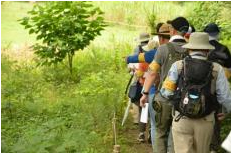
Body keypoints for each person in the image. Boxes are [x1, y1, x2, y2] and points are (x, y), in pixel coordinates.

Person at [160, 32, 231, 153]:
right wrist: (226, 111)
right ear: (207, 51)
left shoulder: (178, 66)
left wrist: (179, 99)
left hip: (181, 118)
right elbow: (225, 97)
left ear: (189, 49)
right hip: (206, 120)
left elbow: (166, 92)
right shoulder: (217, 68)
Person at [140, 16, 189, 153]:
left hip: (164, 100)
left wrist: (144, 93)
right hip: (183, 101)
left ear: (172, 30)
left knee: (159, 131)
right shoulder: (190, 50)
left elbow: (152, 73)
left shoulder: (163, 49)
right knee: (175, 134)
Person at [204, 23, 231, 152]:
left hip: (201, 92)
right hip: (218, 93)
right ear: (217, 33)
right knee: (216, 123)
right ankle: (213, 149)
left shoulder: (202, 48)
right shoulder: (224, 49)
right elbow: (229, 73)